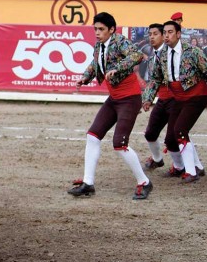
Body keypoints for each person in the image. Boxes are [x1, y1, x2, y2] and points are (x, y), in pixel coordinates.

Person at [67, 12, 153, 200]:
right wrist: (85, 77)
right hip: (114, 98)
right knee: (93, 136)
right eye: (95, 29)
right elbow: (95, 63)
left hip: (129, 98)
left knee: (120, 144)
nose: (97, 33)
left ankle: (144, 182)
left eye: (101, 29)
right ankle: (88, 183)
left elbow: (138, 55)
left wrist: (118, 67)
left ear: (112, 30)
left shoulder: (120, 41)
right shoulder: (99, 45)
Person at [142, 21, 207, 183]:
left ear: (178, 34)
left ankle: (191, 172)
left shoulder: (193, 51)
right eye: (164, 32)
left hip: (196, 96)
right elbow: (156, 78)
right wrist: (148, 98)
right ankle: (193, 167)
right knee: (171, 139)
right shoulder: (162, 54)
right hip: (178, 98)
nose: (166, 36)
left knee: (179, 129)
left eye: (170, 32)